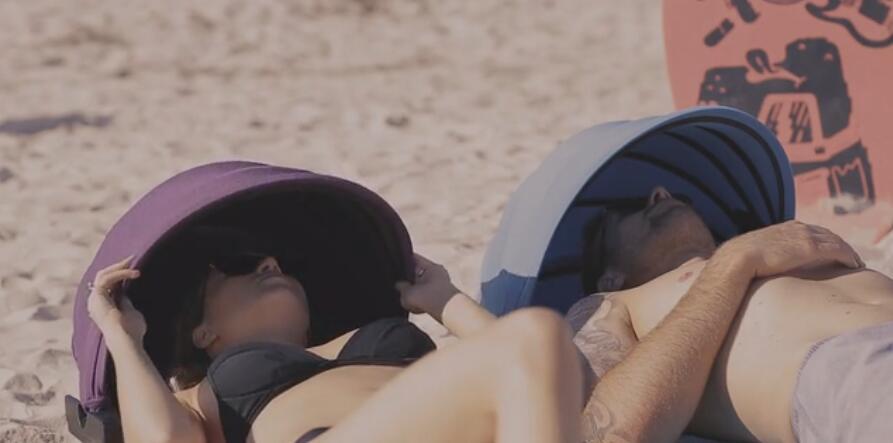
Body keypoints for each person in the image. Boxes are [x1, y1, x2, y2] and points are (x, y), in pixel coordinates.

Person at [87, 242, 585, 443]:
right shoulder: (197, 393)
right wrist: (122, 337)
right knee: (534, 333)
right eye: (236, 268)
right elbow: (165, 441)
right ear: (203, 333)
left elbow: (570, 382)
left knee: (539, 337)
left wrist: (444, 301)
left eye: (274, 262)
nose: (269, 263)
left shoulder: (358, 336)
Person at [569, 186, 892, 443]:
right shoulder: (608, 303)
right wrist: (735, 261)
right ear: (609, 277)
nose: (660, 192)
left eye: (679, 194)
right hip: (858, 375)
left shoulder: (774, 246)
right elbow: (609, 435)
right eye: (630, 207)